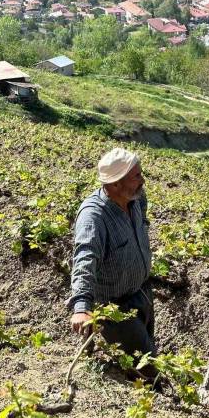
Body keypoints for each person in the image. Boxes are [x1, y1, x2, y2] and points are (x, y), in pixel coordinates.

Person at [68, 147, 156, 358]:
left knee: (145, 350)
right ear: (116, 183)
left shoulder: (136, 199)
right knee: (148, 363)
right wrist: (81, 307)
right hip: (115, 309)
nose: (142, 180)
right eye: (136, 176)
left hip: (142, 293)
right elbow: (85, 258)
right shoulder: (94, 216)